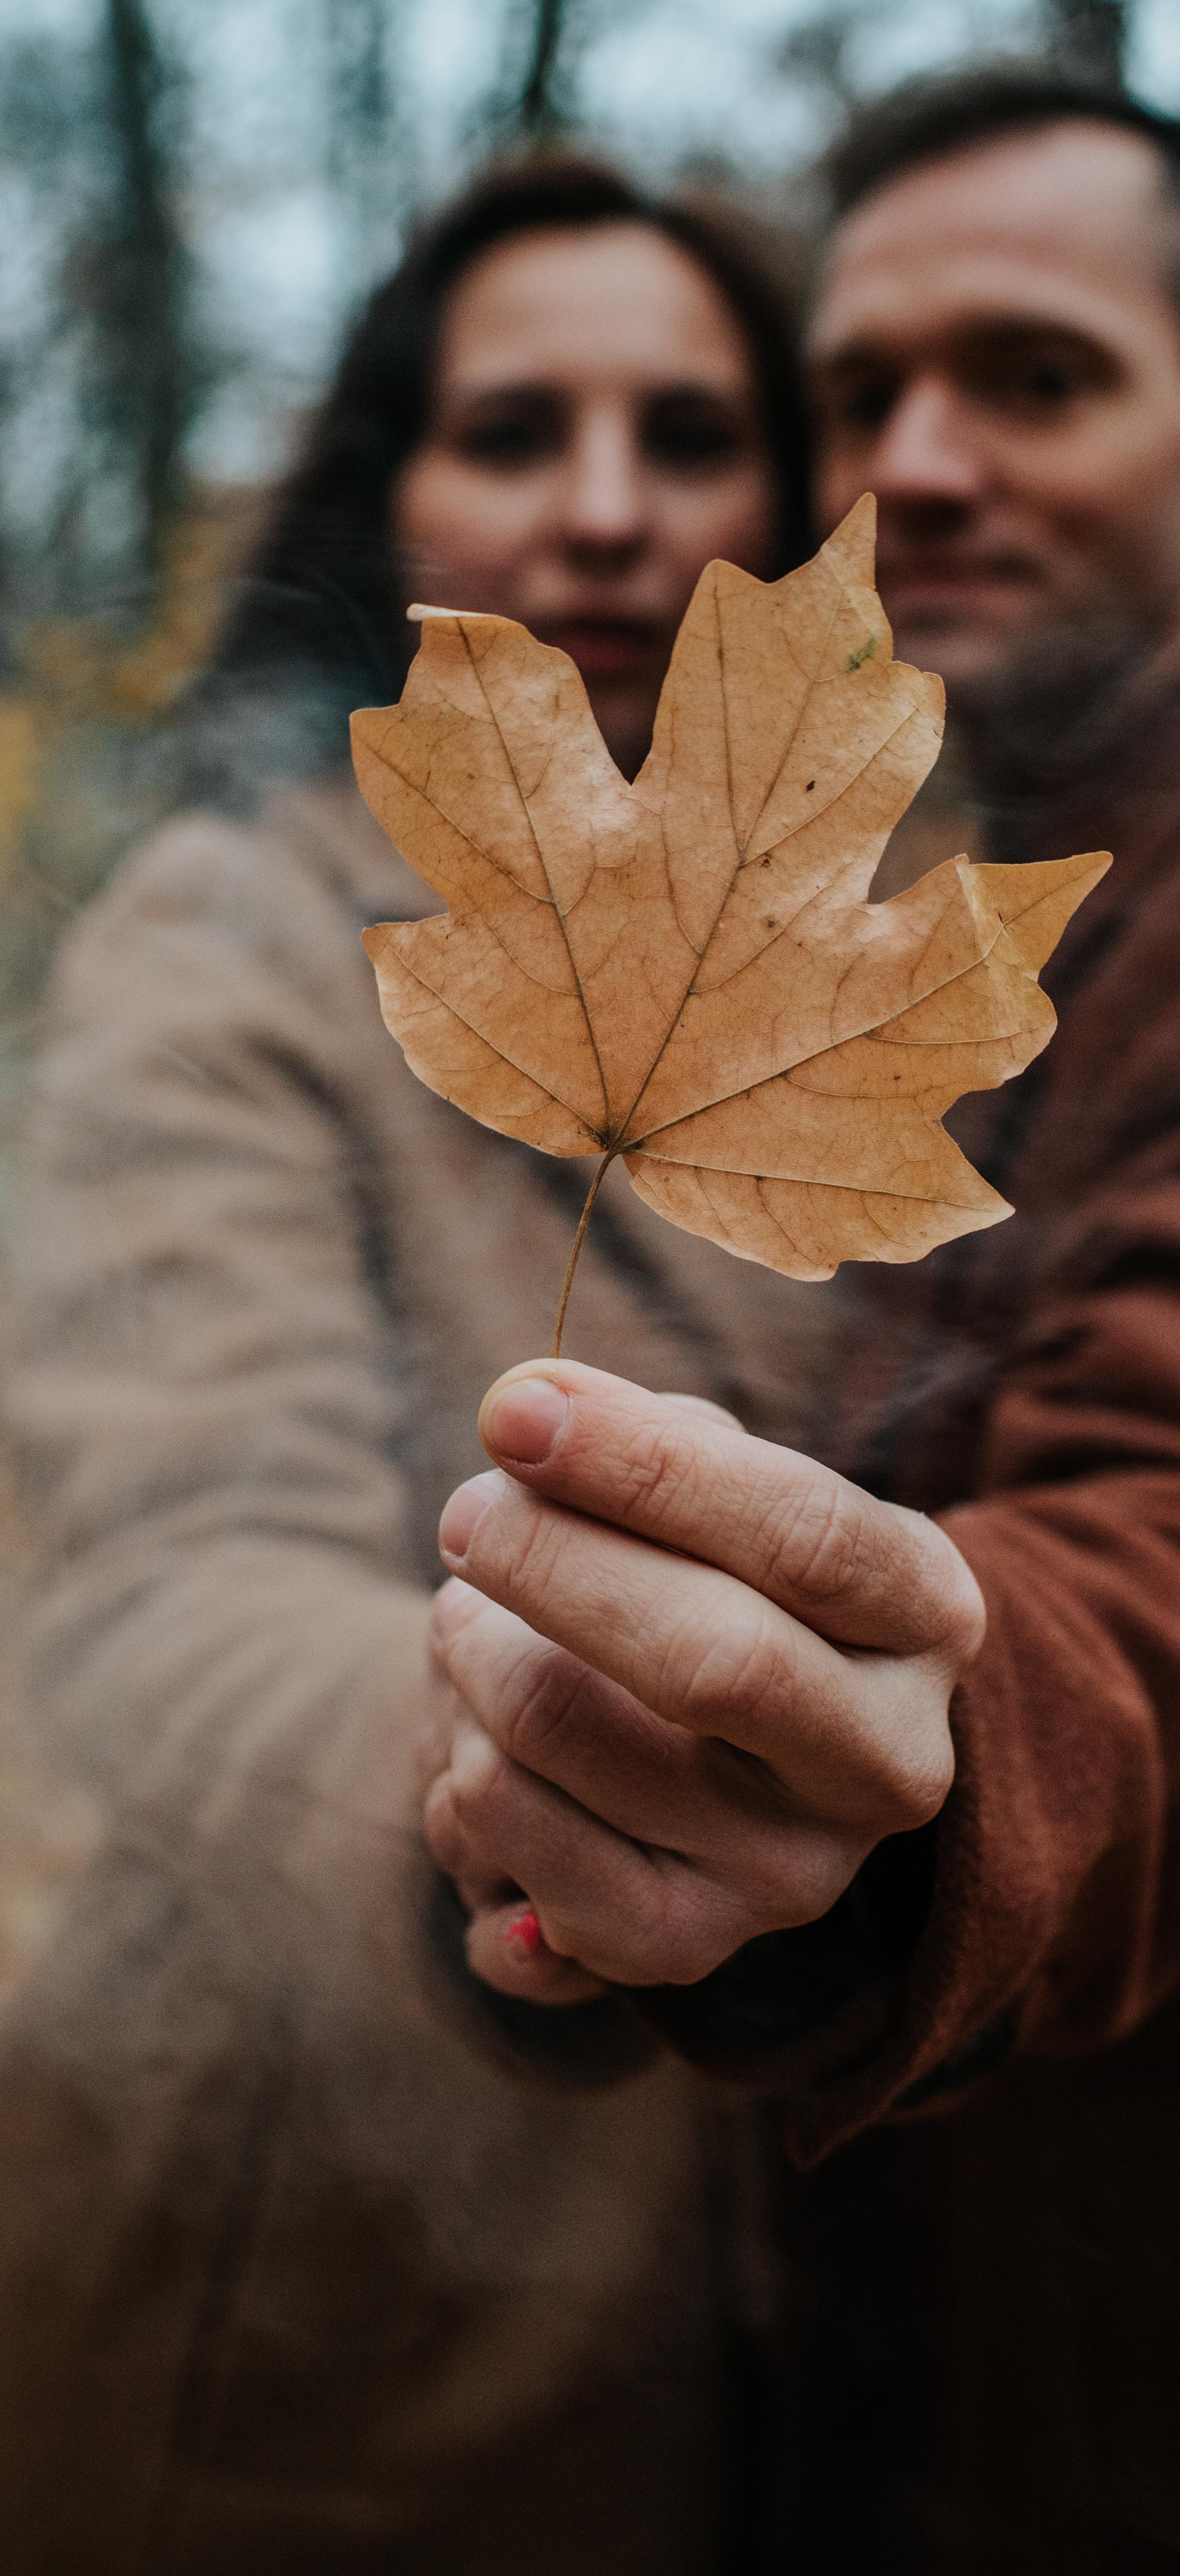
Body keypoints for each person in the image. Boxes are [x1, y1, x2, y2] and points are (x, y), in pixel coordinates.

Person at [411, 74, 1180, 2575]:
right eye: (861, 394)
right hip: (914, 2338)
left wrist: (915, 1763)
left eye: (1028, 376)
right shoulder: (952, 910)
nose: (919, 466)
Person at [3, 153, 817, 2572]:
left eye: (683, 434)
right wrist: (480, 1767)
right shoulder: (235, 935)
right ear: (396, 487)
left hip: (794, 2314)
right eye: (512, 428)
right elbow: (168, 1568)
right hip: (311, 2315)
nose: (598, 511)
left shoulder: (883, 978)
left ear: (786, 499)